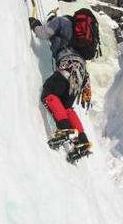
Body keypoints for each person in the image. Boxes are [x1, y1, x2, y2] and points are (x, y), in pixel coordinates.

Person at [29, 13, 92, 151]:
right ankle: (82, 141)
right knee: (66, 107)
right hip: (80, 73)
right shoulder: (79, 37)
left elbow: (44, 34)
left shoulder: (60, 22)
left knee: (48, 92)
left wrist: (35, 24)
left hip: (68, 65)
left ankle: (65, 129)